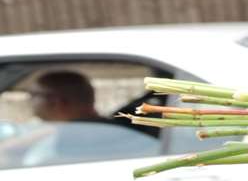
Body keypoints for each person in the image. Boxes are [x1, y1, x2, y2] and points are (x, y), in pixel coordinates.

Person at [0, 69, 157, 168]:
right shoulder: (103, 129)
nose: (29, 101)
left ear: (57, 102)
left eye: (33, 95)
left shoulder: (77, 138)